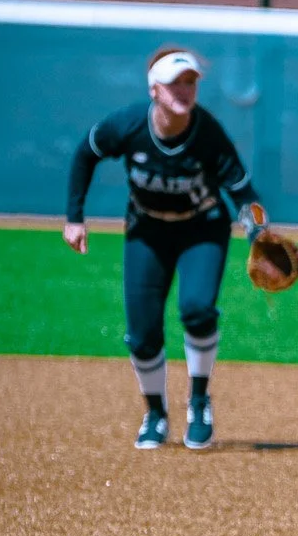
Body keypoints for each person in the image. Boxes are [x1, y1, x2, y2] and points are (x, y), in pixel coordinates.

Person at [63, 47, 265, 450]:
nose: (184, 90)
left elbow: (244, 193)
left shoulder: (207, 132)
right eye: (175, 83)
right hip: (146, 232)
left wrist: (259, 234)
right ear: (155, 89)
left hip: (201, 231)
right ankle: (155, 413)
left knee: (197, 308)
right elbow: (86, 153)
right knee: (142, 334)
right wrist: (74, 216)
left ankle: (199, 401)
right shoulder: (128, 125)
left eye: (190, 82)